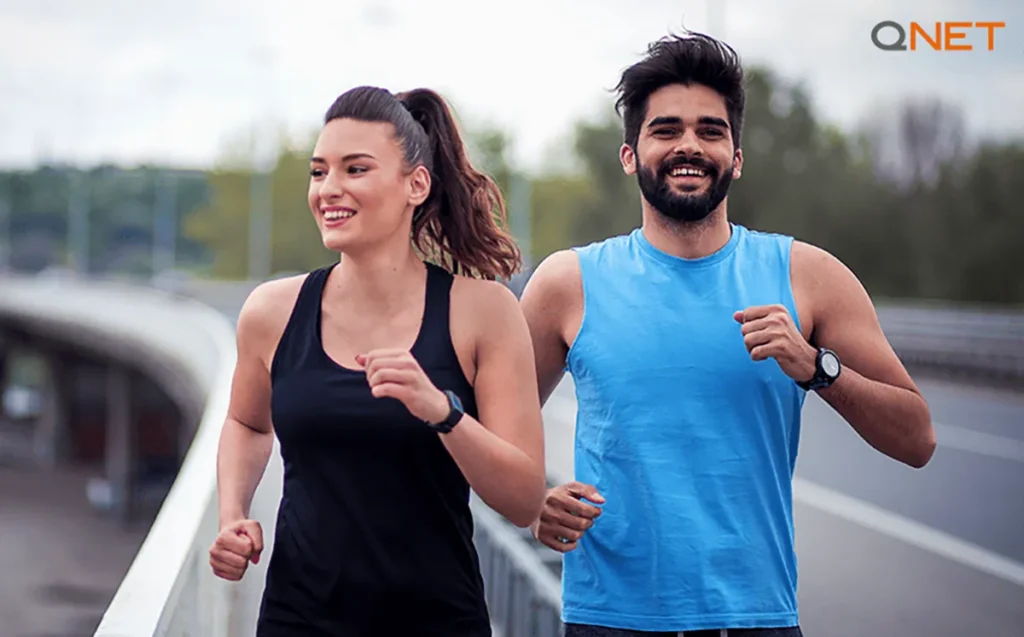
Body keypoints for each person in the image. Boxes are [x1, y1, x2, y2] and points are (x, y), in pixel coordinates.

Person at [520, 32, 936, 636]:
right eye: (665, 130)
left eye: (710, 131)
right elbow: (497, 430)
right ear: (630, 155)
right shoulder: (568, 282)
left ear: (736, 157)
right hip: (611, 621)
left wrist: (817, 368)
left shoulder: (808, 276)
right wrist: (531, 502)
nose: (689, 145)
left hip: (756, 619)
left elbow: (917, 438)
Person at [207, 85, 547, 636]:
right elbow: (247, 422)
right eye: (319, 172)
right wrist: (232, 516)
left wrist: (445, 414)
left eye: (355, 169)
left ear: (416, 184)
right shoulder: (271, 311)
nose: (329, 190)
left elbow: (524, 498)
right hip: (298, 620)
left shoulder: (483, 311)